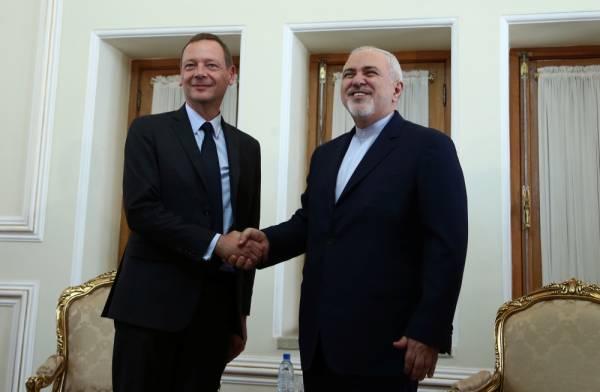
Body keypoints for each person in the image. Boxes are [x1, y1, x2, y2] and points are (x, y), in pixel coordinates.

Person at [231, 46, 468, 391]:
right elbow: (311, 224)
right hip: (320, 345)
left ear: (397, 89)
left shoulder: (430, 147)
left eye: (370, 73)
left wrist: (429, 331)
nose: (357, 81)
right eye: (349, 75)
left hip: (388, 346)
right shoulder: (326, 155)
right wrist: (266, 243)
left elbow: (447, 245)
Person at [102, 33, 263, 392]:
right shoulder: (148, 131)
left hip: (214, 312)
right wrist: (215, 243)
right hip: (148, 307)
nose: (199, 73)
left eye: (210, 65)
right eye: (190, 65)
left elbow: (247, 231)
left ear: (231, 74)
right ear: (180, 75)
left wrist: (240, 316)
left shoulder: (248, 148)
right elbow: (142, 212)